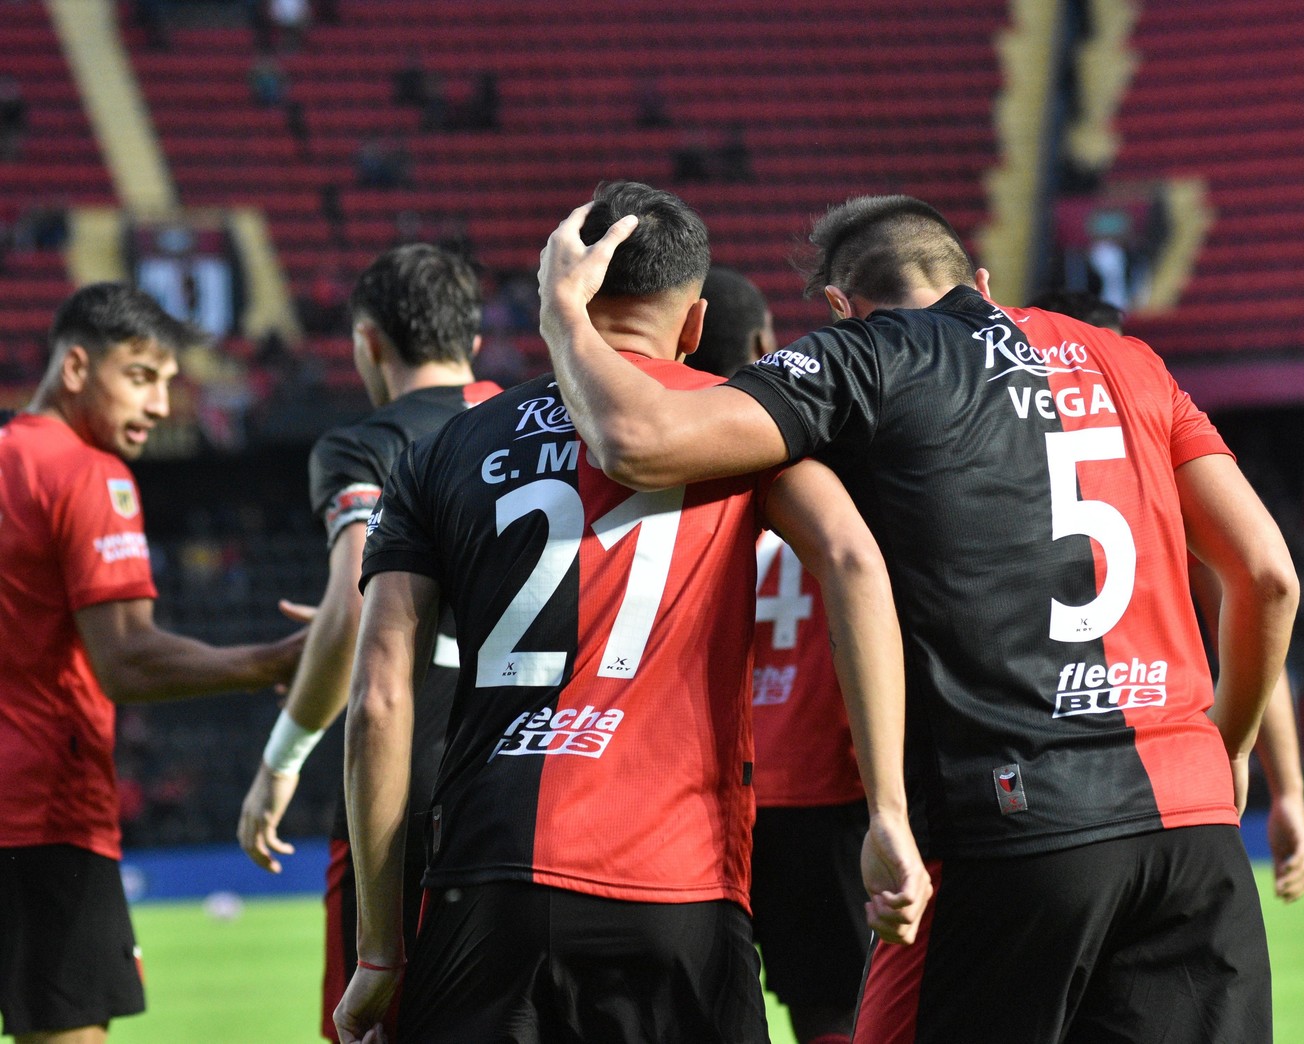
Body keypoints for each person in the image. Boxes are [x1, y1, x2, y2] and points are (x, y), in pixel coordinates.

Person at [538, 192, 1299, 1042]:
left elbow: (638, 443)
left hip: (1010, 828)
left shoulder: (868, 355)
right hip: (1192, 834)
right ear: (975, 279)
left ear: (836, 305)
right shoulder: (1129, 360)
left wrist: (564, 310)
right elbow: (1266, 577)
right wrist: (1224, 747)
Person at [333, 182, 927, 1044]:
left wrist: (381, 953)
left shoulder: (439, 453)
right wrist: (887, 810)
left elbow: (380, 702)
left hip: (483, 881)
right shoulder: (739, 431)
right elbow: (849, 556)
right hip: (674, 885)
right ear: (693, 324)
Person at [0, 283, 308, 1044]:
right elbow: (128, 661)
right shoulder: (86, 474)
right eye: (141, 375)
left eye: (170, 381)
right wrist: (268, 661)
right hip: (41, 814)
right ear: (75, 367)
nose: (162, 403)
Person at [234, 245, 502, 1042]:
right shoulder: (538, 420)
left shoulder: (364, 446)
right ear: (475, 346)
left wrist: (280, 762)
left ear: (367, 343)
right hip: (530, 788)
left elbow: (355, 613)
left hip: (403, 796)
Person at [1034, 287, 1304, 903]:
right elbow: (1259, 593)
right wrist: (1257, 767)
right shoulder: (1160, 466)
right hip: (1173, 788)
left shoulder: (989, 456)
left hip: (1038, 795)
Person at [689, 266, 865, 1044]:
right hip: (824, 789)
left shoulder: (668, 470)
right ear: (764, 345)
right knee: (838, 1012)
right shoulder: (828, 465)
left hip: (701, 794)